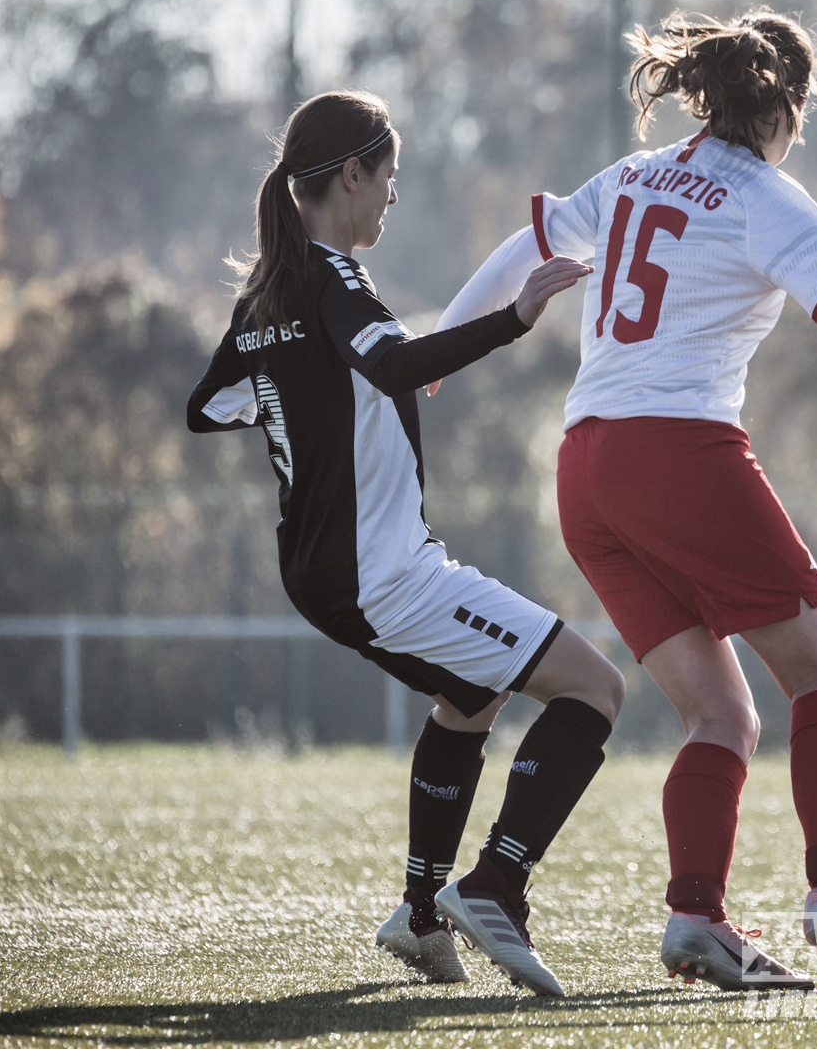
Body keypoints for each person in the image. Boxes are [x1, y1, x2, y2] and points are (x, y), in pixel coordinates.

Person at [435, 10, 817, 989]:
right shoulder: (772, 200)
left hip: (587, 468)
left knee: (722, 713)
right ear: (789, 107)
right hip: (680, 454)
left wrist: (437, 355)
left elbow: (531, 244)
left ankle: (697, 921)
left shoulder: (634, 174)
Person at [187, 89, 624, 995]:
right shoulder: (333, 279)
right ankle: (496, 885)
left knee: (469, 697)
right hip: (384, 570)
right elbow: (391, 366)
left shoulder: (265, 292)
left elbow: (208, 407)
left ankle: (422, 918)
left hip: (318, 571)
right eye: (389, 177)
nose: (393, 196)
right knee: (595, 687)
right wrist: (514, 318)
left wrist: (295, 405)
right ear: (352, 173)